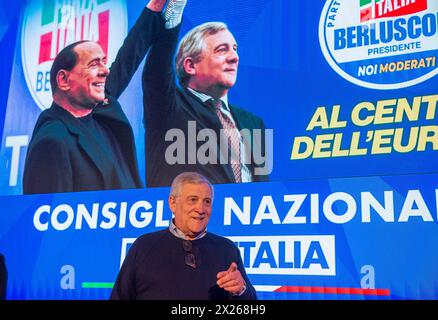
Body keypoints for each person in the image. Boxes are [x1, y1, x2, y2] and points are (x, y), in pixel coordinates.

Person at [22, 0, 175, 194]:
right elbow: (49, 220)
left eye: (104, 62)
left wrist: (154, 7)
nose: (105, 70)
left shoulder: (102, 106)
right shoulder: (51, 142)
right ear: (63, 80)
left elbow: (126, 61)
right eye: (94, 64)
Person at [142, 1, 271, 187]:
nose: (235, 57)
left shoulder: (253, 123)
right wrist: (173, 13)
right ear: (190, 66)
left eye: (234, 49)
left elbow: (262, 188)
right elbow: (156, 72)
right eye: (222, 50)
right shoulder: (168, 106)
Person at [110, 172, 257, 300]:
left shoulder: (226, 249)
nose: (200, 209)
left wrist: (241, 290)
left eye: (207, 201)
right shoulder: (144, 246)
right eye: (193, 200)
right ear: (172, 203)